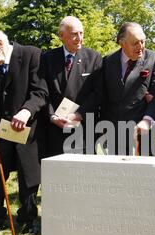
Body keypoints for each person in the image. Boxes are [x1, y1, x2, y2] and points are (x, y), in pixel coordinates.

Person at [0, 29, 48, 235]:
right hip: (0, 129)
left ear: (0, 43)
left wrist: (26, 111)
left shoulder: (31, 55)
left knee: (28, 175)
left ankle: (28, 218)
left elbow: (40, 91)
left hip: (27, 128)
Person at [99, 22, 155, 156]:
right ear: (122, 43)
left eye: (142, 41)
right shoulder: (107, 61)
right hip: (114, 131)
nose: (140, 46)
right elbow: (102, 95)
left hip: (142, 130)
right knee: (117, 174)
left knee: (146, 174)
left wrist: (147, 119)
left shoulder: (153, 58)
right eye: (135, 43)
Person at [41, 16, 102, 156]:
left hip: (83, 129)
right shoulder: (47, 58)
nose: (79, 38)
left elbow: (98, 93)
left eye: (81, 33)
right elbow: (43, 91)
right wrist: (52, 116)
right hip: (55, 129)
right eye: (74, 34)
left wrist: (78, 114)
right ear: (61, 36)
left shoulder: (94, 57)